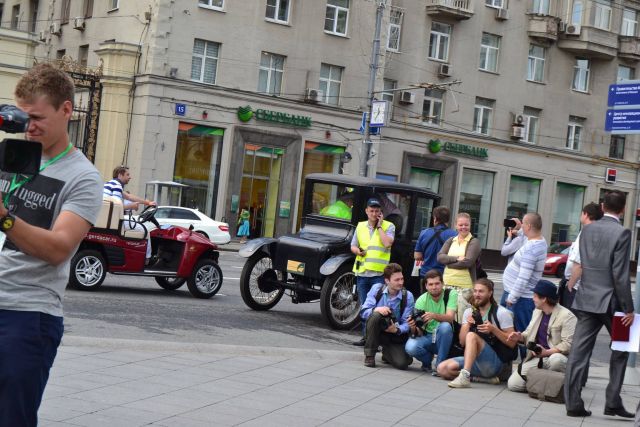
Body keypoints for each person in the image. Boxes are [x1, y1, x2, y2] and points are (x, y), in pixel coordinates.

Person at [0, 63, 103, 426]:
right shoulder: (8, 155)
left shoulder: (83, 177)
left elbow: (60, 248)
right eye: (21, 117)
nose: (29, 127)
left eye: (38, 118)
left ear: (66, 110)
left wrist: (4, 218)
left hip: (26, 314)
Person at [564, 190, 635, 419]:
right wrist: (629, 308)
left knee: (578, 351)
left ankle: (573, 402)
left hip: (586, 298)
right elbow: (620, 274)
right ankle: (612, 401)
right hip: (612, 302)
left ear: (603, 207)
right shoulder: (623, 233)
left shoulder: (587, 229)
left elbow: (583, 263)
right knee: (622, 348)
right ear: (623, 209)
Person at [437, 278, 517, 388]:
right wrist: (467, 325)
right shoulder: (469, 312)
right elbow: (462, 342)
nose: (477, 294)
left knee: (472, 336)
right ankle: (481, 379)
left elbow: (512, 343)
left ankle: (464, 376)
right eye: (475, 291)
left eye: (481, 291)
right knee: (442, 369)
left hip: (495, 363)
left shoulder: (502, 313)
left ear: (490, 293)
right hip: (475, 361)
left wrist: (494, 329)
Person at [506, 280, 577, 392]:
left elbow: (568, 345)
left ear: (544, 299)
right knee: (513, 385)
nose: (532, 299)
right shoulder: (537, 311)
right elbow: (528, 334)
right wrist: (519, 337)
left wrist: (547, 352)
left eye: (535, 296)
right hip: (539, 357)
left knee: (556, 360)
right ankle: (543, 386)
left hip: (556, 356)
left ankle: (562, 385)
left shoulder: (567, 316)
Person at [501, 212, 547, 358]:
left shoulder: (532, 248)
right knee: (508, 331)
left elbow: (523, 277)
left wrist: (512, 297)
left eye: (524, 224)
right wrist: (520, 229)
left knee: (521, 334)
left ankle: (525, 367)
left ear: (529, 226)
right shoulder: (537, 241)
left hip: (520, 298)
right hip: (516, 293)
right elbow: (526, 235)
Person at [351, 197, 395, 346]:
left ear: (381, 213)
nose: (374, 213)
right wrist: (358, 251)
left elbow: (387, 243)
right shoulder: (361, 226)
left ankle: (375, 339)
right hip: (363, 273)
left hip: (379, 274)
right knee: (365, 307)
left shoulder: (389, 226)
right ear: (366, 211)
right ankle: (366, 337)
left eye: (377, 211)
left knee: (378, 309)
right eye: (371, 210)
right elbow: (353, 246)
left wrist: (380, 226)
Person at [360, 263, 415, 370]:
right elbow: (363, 312)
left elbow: (407, 323)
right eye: (397, 280)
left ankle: (387, 353)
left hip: (394, 334)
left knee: (403, 363)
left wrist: (397, 330)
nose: (401, 282)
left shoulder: (408, 296)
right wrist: (376, 309)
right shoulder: (377, 289)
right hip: (376, 331)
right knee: (376, 315)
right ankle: (370, 355)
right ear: (387, 281)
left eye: (402, 279)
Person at [405, 269, 456, 374]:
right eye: (431, 284)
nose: (434, 287)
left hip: (445, 336)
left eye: (437, 283)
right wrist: (413, 326)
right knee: (410, 347)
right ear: (426, 286)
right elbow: (419, 332)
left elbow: (450, 317)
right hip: (428, 335)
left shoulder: (450, 294)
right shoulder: (421, 300)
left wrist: (433, 316)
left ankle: (439, 366)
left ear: (442, 283)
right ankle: (427, 360)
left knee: (445, 326)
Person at [103, 165, 156, 261]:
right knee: (145, 230)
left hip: (111, 220)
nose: (130, 177)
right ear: (120, 175)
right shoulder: (117, 186)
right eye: (127, 175)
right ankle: (147, 259)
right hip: (115, 222)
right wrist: (131, 206)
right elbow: (116, 206)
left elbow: (129, 197)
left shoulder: (111, 183)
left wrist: (148, 203)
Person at [437, 212, 480, 322]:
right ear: (456, 225)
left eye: (466, 225)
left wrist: (448, 263)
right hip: (446, 285)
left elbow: (467, 262)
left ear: (470, 225)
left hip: (464, 288)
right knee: (446, 317)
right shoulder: (451, 240)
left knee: (461, 319)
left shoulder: (474, 242)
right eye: (461, 225)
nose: (463, 227)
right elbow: (440, 257)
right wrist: (456, 258)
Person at [563, 202, 603, 309]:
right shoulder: (595, 233)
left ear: (586, 214)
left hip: (576, 286)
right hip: (580, 285)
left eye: (581, 214)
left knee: (570, 321)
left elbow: (580, 263)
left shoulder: (588, 233)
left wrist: (570, 285)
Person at [414, 206, 457, 278]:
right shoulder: (455, 235)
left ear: (435, 218)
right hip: (445, 276)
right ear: (448, 219)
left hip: (426, 275)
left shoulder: (424, 233)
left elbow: (417, 256)